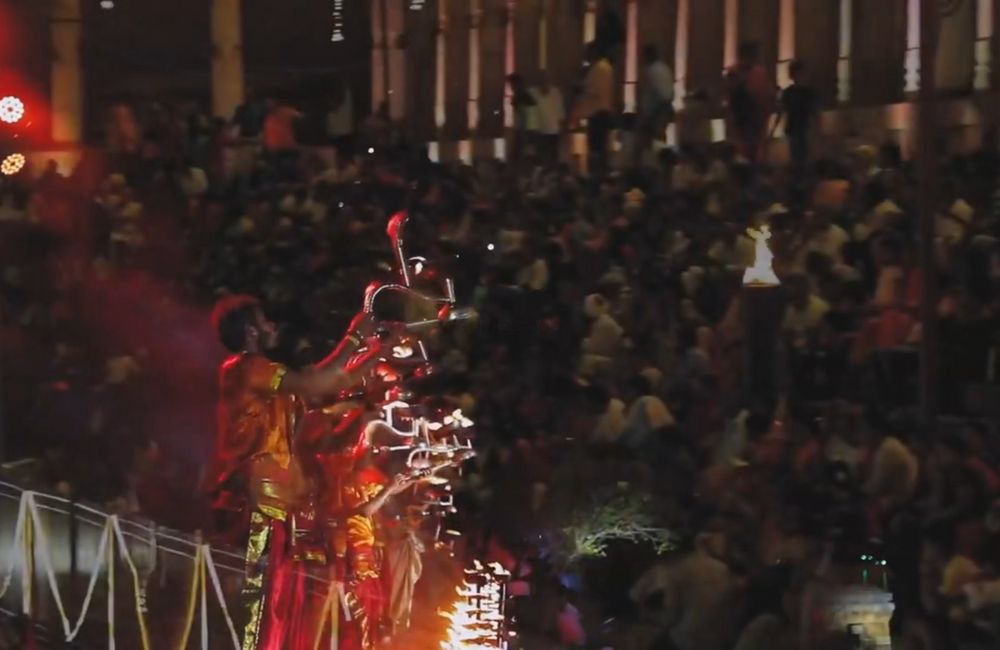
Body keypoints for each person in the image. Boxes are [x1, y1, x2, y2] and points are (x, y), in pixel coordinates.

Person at [208, 294, 385, 650]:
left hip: (279, 515)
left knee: (276, 620)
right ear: (251, 331)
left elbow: (330, 382)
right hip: (255, 511)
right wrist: (355, 334)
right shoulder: (246, 367)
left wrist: (378, 354)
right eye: (266, 321)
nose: (273, 327)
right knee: (253, 618)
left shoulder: (270, 378)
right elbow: (317, 382)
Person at [726, 43, 774, 162]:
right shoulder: (755, 73)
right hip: (744, 118)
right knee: (746, 149)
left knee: (753, 149)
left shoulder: (757, 74)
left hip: (752, 117)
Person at [576, 42, 615, 177]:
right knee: (597, 147)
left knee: (596, 148)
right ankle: (598, 173)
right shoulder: (601, 67)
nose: (585, 55)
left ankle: (597, 175)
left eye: (587, 52)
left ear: (594, 52)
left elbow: (596, 90)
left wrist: (581, 87)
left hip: (598, 112)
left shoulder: (600, 68)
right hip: (599, 112)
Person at [774, 60, 817, 170]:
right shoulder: (788, 93)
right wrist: (773, 131)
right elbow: (781, 111)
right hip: (794, 127)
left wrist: (817, 130)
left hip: (804, 127)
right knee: (797, 155)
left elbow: (815, 113)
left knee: (804, 155)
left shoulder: (808, 93)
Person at [636, 44, 675, 164]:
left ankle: (653, 166)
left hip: (656, 111)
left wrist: (647, 115)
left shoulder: (653, 71)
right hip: (664, 108)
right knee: (659, 141)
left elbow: (659, 95)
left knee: (652, 142)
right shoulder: (665, 68)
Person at [531, 72, 565, 165]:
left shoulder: (556, 93)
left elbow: (560, 113)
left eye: (547, 81)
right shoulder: (533, 94)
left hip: (554, 132)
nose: (545, 84)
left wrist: (561, 133)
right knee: (540, 159)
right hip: (539, 132)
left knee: (553, 158)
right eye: (542, 81)